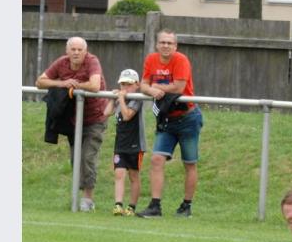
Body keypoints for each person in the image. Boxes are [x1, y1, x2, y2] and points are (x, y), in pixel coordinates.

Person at [36, 36, 108, 212]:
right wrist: (62, 83)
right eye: (73, 49)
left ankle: (87, 200)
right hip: (74, 120)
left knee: (88, 157)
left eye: (79, 50)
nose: (76, 53)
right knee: (76, 158)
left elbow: (95, 85)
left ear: (86, 51)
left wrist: (75, 86)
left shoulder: (92, 61)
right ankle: (76, 198)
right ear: (67, 51)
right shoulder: (61, 62)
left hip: (95, 117)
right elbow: (40, 82)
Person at [136, 29, 203, 219]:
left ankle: (186, 206)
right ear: (157, 44)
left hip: (188, 118)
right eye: (162, 42)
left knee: (189, 163)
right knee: (156, 159)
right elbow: (143, 84)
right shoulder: (151, 59)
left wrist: (156, 87)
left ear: (175, 46)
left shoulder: (181, 60)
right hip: (166, 119)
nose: (166, 46)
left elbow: (179, 87)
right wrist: (151, 90)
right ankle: (155, 206)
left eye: (169, 43)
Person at [102, 69, 146, 217]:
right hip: (120, 144)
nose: (125, 88)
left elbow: (127, 116)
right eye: (123, 84)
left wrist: (121, 99)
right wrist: (112, 98)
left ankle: (131, 206)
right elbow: (106, 113)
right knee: (119, 174)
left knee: (133, 175)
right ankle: (118, 205)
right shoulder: (121, 97)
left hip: (135, 144)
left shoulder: (137, 99)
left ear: (137, 85)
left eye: (129, 84)